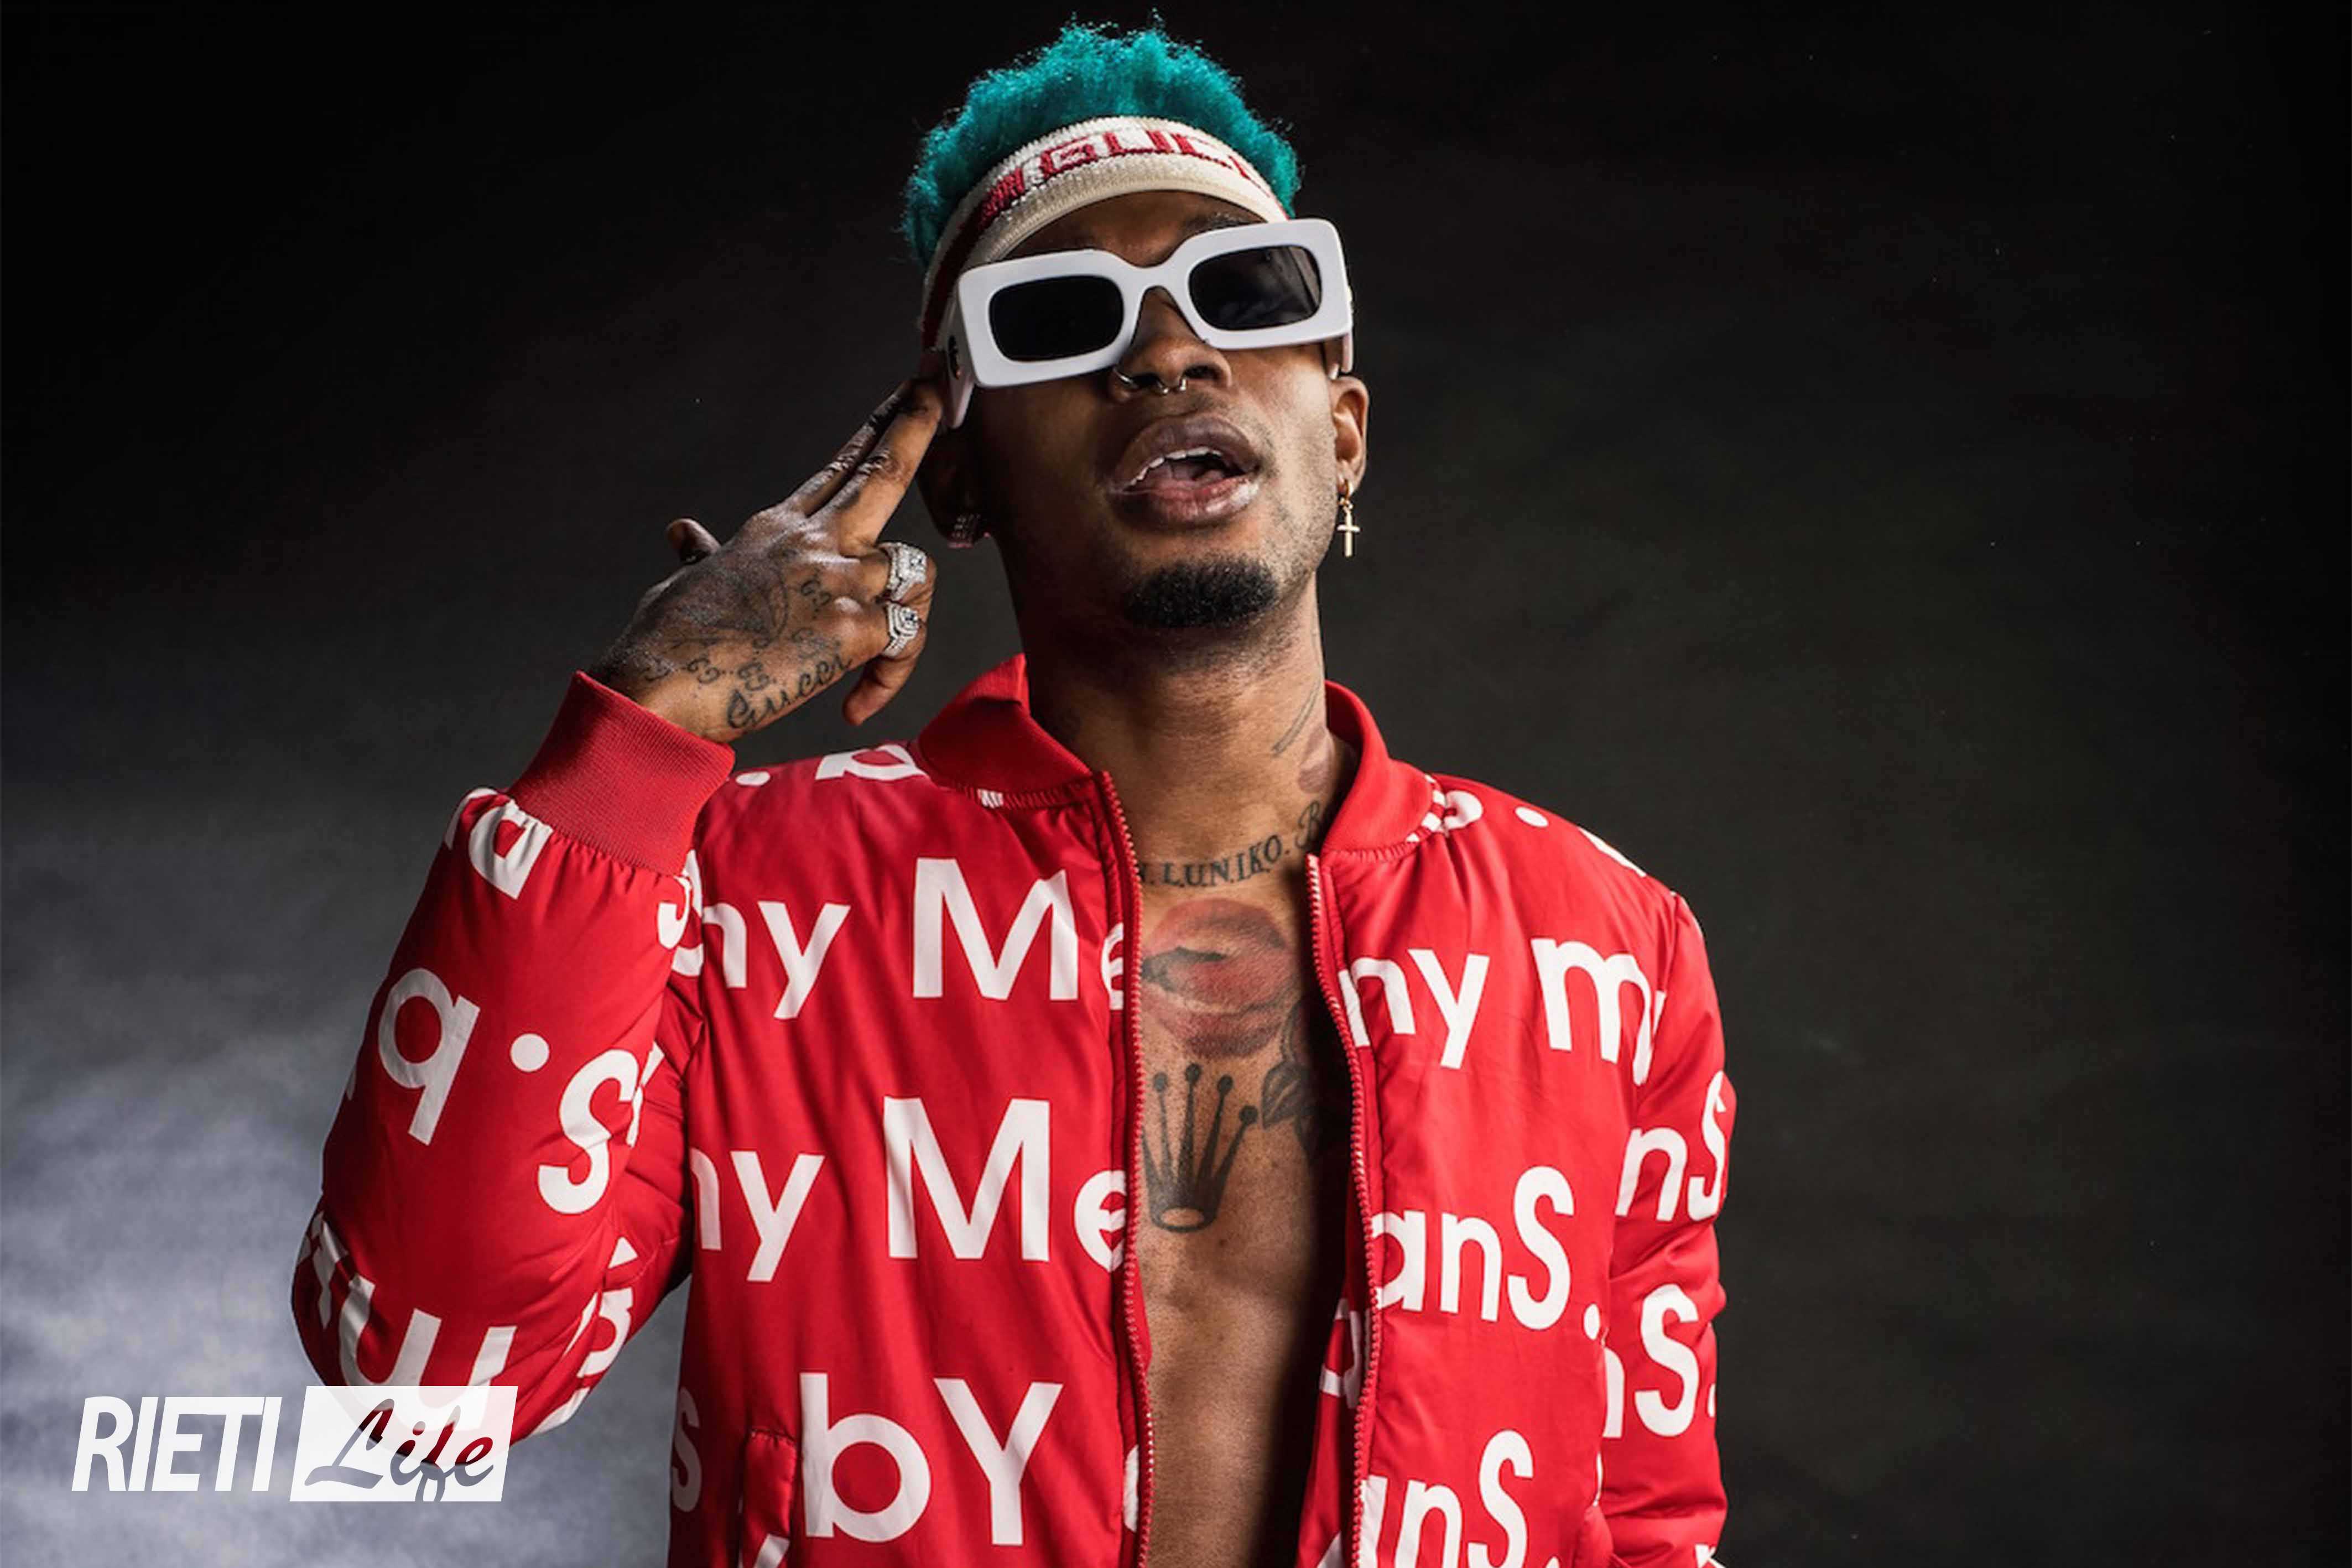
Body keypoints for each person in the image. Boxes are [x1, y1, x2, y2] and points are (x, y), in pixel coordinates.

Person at [289, 20, 1737, 1568]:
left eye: (1246, 292)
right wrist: (638, 739)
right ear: (958, 478)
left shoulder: (1603, 945)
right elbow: (417, 1378)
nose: (1166, 355)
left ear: (1346, 432)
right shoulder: (737, 896)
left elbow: (1644, 1526)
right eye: (1058, 317)